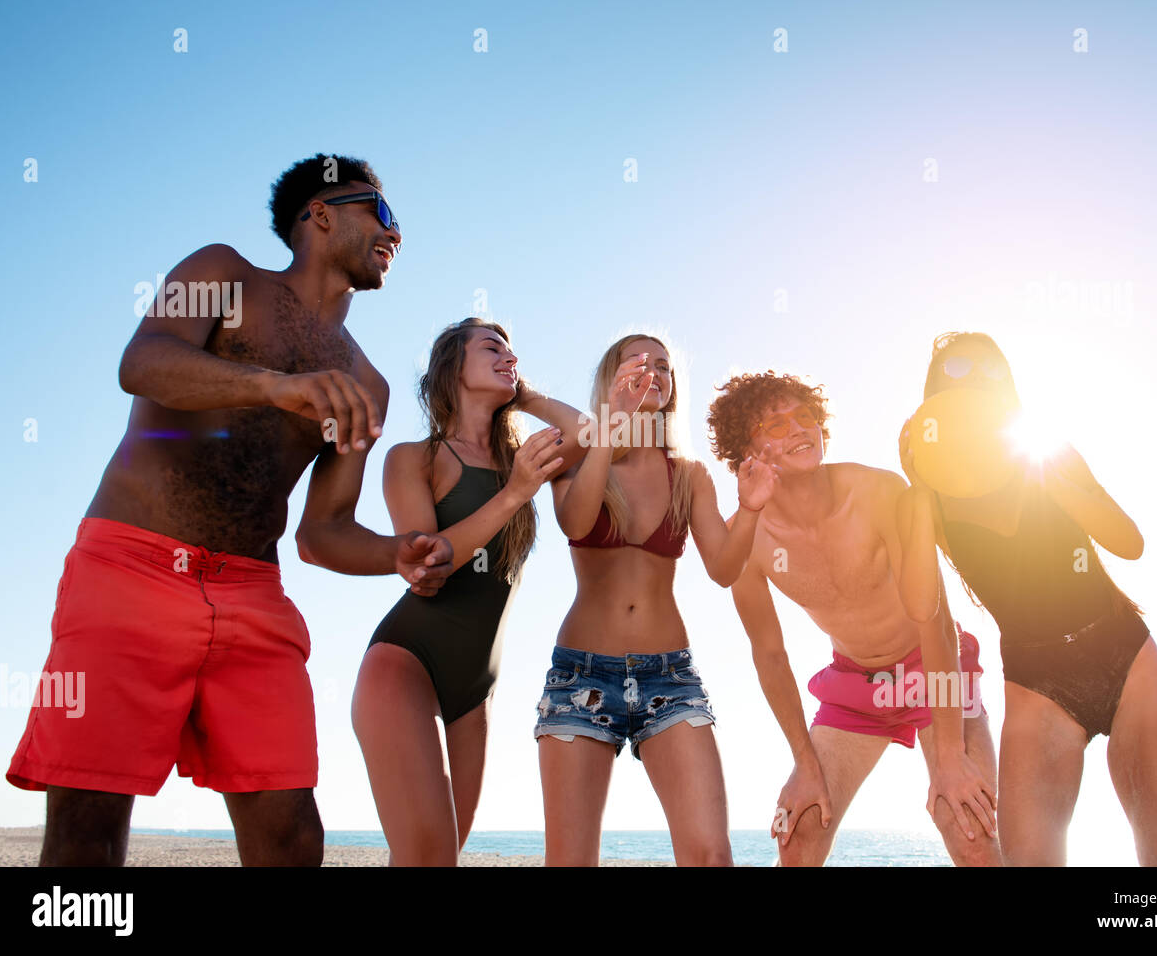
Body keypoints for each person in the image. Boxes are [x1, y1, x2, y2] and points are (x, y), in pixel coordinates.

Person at [7, 154, 455, 866]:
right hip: (130, 567)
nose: (396, 233)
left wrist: (394, 555)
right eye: (382, 211)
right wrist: (272, 386)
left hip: (252, 597)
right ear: (320, 212)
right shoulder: (223, 272)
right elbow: (144, 359)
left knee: (294, 837)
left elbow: (323, 531)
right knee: (85, 834)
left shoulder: (367, 381)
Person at [896, 332, 1157, 866]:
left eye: (991, 371)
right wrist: (921, 488)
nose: (976, 382)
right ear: (935, 399)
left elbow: (1129, 544)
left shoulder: (1046, 450)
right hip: (1037, 685)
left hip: (1127, 657)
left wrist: (1059, 482)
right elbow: (923, 608)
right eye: (958, 371)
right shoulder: (928, 501)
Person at [707, 371, 1001, 867]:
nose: (798, 428)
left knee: (968, 827)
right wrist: (804, 763)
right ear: (745, 450)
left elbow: (935, 620)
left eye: (805, 416)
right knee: (797, 835)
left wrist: (950, 754)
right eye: (775, 425)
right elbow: (770, 654)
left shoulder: (877, 492)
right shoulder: (745, 537)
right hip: (856, 687)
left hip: (935, 672)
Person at [534, 334, 777, 866]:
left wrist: (752, 509)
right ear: (609, 380)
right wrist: (609, 429)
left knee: (712, 855)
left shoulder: (688, 474)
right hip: (582, 678)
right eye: (639, 364)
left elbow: (722, 570)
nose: (654, 374)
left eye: (664, 367)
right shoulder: (574, 460)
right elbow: (575, 521)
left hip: (670, 678)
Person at [353, 317, 589, 865]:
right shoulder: (414, 458)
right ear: (452, 367)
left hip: (475, 689)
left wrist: (525, 393)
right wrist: (514, 495)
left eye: (513, 351)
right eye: (492, 348)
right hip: (404, 662)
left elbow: (596, 434)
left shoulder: (522, 459)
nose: (508, 356)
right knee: (426, 854)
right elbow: (428, 558)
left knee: (442, 854)